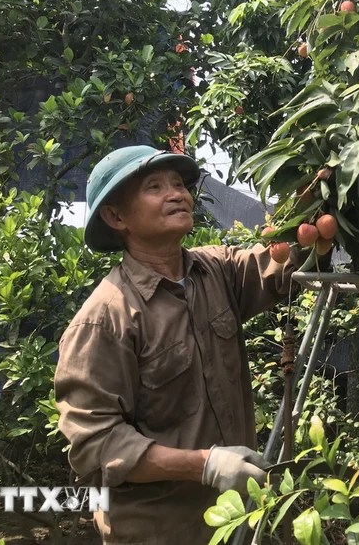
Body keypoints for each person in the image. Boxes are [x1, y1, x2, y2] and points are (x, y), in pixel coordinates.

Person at [54, 145, 311, 544]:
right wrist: (204, 465)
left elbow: (285, 260)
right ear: (115, 216)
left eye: (178, 183)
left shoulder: (216, 271)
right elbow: (97, 441)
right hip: (162, 530)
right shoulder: (106, 318)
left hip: (235, 518)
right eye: (155, 186)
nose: (177, 193)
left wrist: (321, 197)